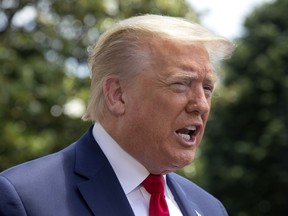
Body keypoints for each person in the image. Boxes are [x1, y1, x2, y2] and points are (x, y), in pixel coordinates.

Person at [0, 14, 234, 216]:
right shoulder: (24, 199)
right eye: (181, 84)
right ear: (117, 95)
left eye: (207, 88)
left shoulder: (210, 208)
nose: (201, 105)